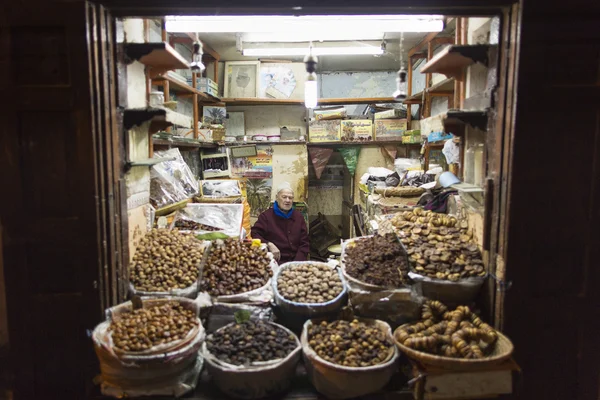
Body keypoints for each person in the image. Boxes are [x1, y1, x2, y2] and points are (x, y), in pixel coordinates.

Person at [251, 182, 309, 264]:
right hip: (275, 262)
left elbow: (304, 244)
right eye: (284, 197)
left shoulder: (298, 217)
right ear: (277, 198)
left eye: (290, 198)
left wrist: (296, 264)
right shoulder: (266, 216)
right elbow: (254, 234)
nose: (287, 200)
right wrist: (268, 244)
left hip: (296, 263)